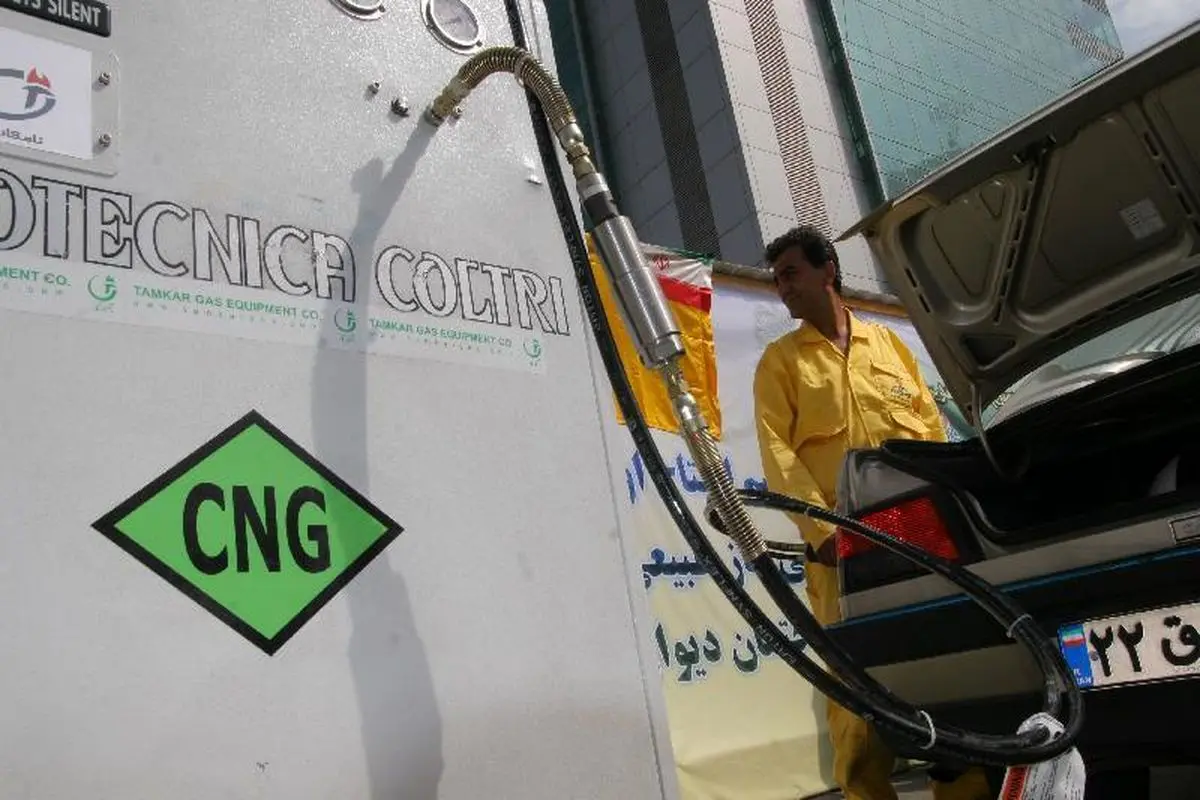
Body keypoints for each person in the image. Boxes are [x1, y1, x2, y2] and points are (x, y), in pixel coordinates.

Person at [752, 225, 992, 800]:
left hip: (918, 547)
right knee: (855, 701)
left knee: (947, 676)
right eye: (777, 279)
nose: (783, 288)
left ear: (828, 271)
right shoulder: (780, 363)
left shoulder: (888, 348)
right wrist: (822, 532)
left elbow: (930, 436)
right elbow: (777, 455)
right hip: (842, 559)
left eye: (792, 273)